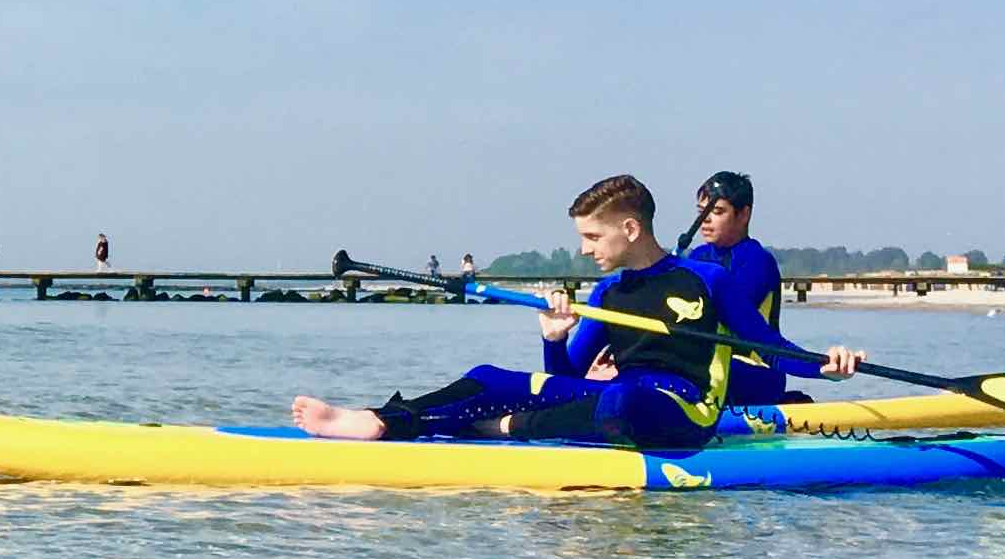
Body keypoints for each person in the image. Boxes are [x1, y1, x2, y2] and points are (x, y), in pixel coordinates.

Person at [292, 175, 733, 450]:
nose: (584, 248)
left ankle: (499, 427)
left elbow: (776, 353)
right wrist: (554, 337)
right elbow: (567, 380)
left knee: (621, 399)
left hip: (689, 411)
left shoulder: (706, 281)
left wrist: (803, 365)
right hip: (613, 403)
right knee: (489, 377)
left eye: (593, 236)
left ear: (630, 229)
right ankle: (383, 420)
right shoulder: (607, 293)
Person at [679, 170, 862, 405]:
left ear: (744, 214)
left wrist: (823, 367)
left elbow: (735, 327)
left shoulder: (756, 261)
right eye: (701, 212)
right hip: (709, 366)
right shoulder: (696, 256)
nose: (705, 220)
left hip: (757, 372)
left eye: (717, 212)